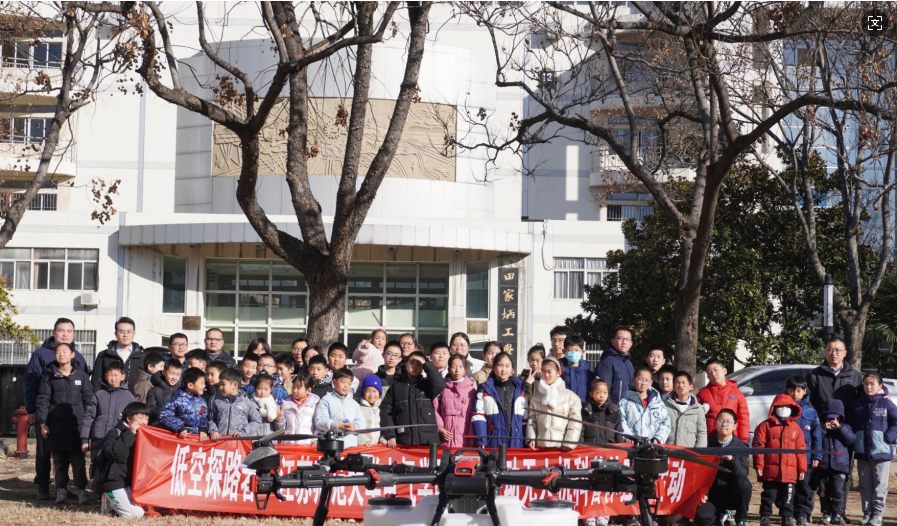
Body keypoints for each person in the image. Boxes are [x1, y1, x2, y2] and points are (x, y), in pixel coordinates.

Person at [24, 318, 88, 500]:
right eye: (61, 330)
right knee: (44, 452)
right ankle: (43, 487)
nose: (65, 334)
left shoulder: (78, 357)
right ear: (54, 333)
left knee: (73, 454)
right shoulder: (41, 355)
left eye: (69, 331)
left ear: (73, 334)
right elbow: (30, 383)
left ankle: (66, 488)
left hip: (72, 416)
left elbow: (84, 390)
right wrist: (32, 410)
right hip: (47, 414)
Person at [805, 337, 864, 520]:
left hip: (845, 432)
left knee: (843, 473)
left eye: (838, 350)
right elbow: (808, 403)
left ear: (845, 353)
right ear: (825, 352)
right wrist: (819, 424)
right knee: (819, 472)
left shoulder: (856, 376)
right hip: (821, 430)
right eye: (830, 349)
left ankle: (839, 512)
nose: (834, 353)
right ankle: (818, 512)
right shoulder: (815, 375)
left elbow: (864, 400)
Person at [36, 342, 93, 505]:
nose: (61, 354)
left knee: (78, 462)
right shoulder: (49, 375)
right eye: (58, 352)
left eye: (65, 351)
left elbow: (89, 401)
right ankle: (61, 490)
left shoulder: (81, 375)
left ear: (72, 354)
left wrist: (88, 425)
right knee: (59, 462)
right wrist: (43, 423)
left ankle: (81, 491)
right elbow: (43, 399)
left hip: (77, 426)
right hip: (56, 426)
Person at [845, 373, 897, 526]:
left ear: (880, 386)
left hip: (882, 452)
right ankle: (867, 513)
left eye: (872, 384)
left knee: (880, 485)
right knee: (865, 485)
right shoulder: (856, 405)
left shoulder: (886, 404)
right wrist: (854, 438)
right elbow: (849, 424)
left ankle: (878, 514)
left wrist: (888, 438)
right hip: (862, 451)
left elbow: (896, 422)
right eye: (866, 384)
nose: (868, 387)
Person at [753, 394, 807, 526]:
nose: (783, 409)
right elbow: (758, 448)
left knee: (788, 496)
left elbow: (800, 450)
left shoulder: (796, 428)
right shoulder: (765, 426)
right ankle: (765, 516)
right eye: (780, 406)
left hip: (790, 472)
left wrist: (802, 469)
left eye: (787, 406)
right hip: (770, 471)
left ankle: (787, 517)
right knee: (768, 495)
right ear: (774, 408)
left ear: (792, 408)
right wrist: (759, 465)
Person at [81, 359, 134, 487]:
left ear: (123, 377)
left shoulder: (128, 396)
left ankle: (111, 488)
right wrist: (84, 439)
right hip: (99, 438)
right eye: (110, 375)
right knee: (97, 462)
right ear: (105, 376)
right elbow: (89, 417)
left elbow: (133, 418)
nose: (113, 379)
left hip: (118, 439)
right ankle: (97, 487)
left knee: (113, 463)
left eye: (116, 375)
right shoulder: (99, 394)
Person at [694, 409, 752, 526]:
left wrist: (732, 459)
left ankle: (741, 519)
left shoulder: (741, 446)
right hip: (713, 493)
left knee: (744, 484)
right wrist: (704, 493)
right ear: (716, 424)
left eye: (728, 421)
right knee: (701, 518)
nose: (724, 424)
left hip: (732, 493)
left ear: (735, 426)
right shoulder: (708, 444)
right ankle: (720, 516)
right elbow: (701, 473)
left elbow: (743, 474)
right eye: (720, 421)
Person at [380, 350, 446, 447]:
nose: (415, 366)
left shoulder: (428, 385)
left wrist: (426, 364)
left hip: (428, 442)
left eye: (419, 364)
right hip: (404, 441)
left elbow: (440, 385)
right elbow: (386, 412)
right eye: (412, 363)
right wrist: (390, 435)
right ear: (406, 365)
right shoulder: (396, 387)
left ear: (423, 368)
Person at [97, 402, 149, 518]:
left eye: (147, 418)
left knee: (145, 510)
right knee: (136, 514)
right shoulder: (115, 432)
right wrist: (130, 433)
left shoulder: (143, 435)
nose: (144, 422)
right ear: (129, 419)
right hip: (115, 482)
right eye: (140, 418)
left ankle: (110, 504)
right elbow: (114, 453)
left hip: (132, 483)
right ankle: (108, 497)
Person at [786, 375, 822, 526]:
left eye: (799, 390)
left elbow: (817, 435)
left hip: (805, 457)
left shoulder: (811, 411)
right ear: (787, 390)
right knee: (788, 488)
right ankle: (787, 514)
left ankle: (802, 514)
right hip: (786, 457)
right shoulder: (781, 409)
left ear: (804, 391)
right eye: (792, 390)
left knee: (804, 487)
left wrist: (816, 456)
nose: (795, 393)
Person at [472, 352, 526, 448]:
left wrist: (527, 440)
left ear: (512, 368)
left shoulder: (520, 390)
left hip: (517, 443)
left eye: (507, 366)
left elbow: (525, 419)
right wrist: (481, 440)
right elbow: (478, 415)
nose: (504, 369)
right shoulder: (484, 389)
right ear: (493, 368)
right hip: (493, 442)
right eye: (500, 365)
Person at [526, 357, 582, 450]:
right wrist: (531, 439)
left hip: (562, 449)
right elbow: (532, 420)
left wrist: (569, 443)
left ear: (558, 373)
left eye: (549, 371)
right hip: (541, 447)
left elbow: (575, 422)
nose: (546, 375)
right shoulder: (536, 397)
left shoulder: (571, 397)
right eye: (543, 371)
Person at [816, 399, 855, 526]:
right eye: (828, 418)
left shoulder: (846, 427)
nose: (831, 421)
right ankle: (826, 514)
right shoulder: (820, 428)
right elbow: (815, 439)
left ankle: (838, 514)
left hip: (839, 467)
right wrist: (823, 429)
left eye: (834, 418)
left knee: (838, 492)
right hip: (823, 467)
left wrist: (840, 427)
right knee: (823, 492)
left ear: (840, 417)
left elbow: (851, 440)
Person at [697, 359, 751, 443]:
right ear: (707, 376)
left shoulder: (737, 393)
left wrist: (742, 441)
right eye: (709, 372)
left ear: (725, 371)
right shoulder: (702, 394)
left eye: (716, 370)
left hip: (732, 439)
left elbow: (743, 418)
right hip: (710, 439)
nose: (713, 374)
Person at [314, 368, 367, 448]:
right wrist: (336, 425)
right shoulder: (326, 400)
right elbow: (320, 421)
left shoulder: (354, 404)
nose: (346, 386)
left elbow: (363, 422)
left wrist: (354, 426)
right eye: (343, 382)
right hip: (332, 446)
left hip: (351, 445)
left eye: (349, 383)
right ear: (334, 382)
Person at [92, 317, 146, 393]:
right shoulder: (104, 355)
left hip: (134, 398)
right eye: (122, 332)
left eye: (129, 332)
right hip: (109, 397)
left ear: (134, 334)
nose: (125, 335)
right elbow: (96, 381)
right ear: (116, 334)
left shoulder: (142, 357)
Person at [619, 366, 671, 443]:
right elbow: (621, 421)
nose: (643, 383)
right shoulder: (624, 402)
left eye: (647, 380)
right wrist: (629, 438)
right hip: (631, 445)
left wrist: (657, 439)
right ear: (633, 380)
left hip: (652, 446)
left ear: (651, 383)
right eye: (640, 379)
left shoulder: (657, 403)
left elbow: (665, 422)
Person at [434, 354, 476, 448]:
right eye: (453, 366)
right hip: (445, 436)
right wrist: (440, 429)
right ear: (449, 369)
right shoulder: (442, 388)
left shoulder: (471, 390)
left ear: (465, 369)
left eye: (461, 367)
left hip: (465, 437)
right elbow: (435, 409)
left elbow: (474, 414)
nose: (457, 370)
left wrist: (471, 435)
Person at [158, 367, 210, 440]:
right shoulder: (177, 399)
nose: (204, 386)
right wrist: (180, 427)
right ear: (190, 385)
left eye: (204, 383)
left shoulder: (202, 401)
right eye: (201, 383)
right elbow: (164, 416)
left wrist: (203, 429)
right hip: (180, 439)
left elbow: (204, 418)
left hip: (196, 440)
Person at [209, 368, 262, 439]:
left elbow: (257, 421)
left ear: (235, 385)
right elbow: (211, 419)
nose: (220, 387)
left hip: (238, 442)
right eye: (220, 384)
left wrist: (244, 432)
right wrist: (213, 431)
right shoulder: (217, 401)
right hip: (221, 441)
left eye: (223, 384)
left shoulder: (247, 402)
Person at [663, 371, 707, 447]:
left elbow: (702, 432)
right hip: (668, 450)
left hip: (689, 451)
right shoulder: (665, 406)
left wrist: (698, 452)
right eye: (677, 383)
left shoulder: (698, 409)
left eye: (683, 383)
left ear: (691, 387)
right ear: (673, 387)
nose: (680, 385)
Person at [594, 326, 635, 405]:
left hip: (628, 408)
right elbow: (602, 390)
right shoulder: (607, 362)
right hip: (614, 408)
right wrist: (610, 408)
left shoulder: (628, 363)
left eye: (627, 339)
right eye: (620, 338)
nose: (624, 342)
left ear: (631, 343)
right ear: (613, 341)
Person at [282, 373, 320, 445]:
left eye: (298, 388)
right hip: (288, 445)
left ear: (308, 390)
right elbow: (281, 428)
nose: (294, 390)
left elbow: (318, 427)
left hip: (307, 444)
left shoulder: (315, 404)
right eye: (293, 387)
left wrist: (315, 440)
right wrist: (279, 420)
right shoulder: (285, 403)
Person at [582, 378, 623, 444]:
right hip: (591, 447)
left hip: (610, 447)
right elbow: (581, 431)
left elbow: (619, 432)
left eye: (605, 393)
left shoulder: (613, 410)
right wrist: (581, 447)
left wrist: (621, 446)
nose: (602, 396)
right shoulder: (587, 411)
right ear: (591, 394)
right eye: (598, 392)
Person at [562, 334, 596, 403]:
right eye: (570, 350)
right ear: (564, 352)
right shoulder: (559, 372)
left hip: (583, 407)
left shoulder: (589, 374)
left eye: (576, 350)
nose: (573, 353)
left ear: (582, 352)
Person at [357, 375, 382, 446]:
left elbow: (382, 426)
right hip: (365, 445)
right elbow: (357, 427)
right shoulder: (359, 409)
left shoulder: (380, 408)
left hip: (378, 446)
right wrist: (364, 440)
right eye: (368, 391)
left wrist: (382, 438)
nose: (371, 394)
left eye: (374, 391)